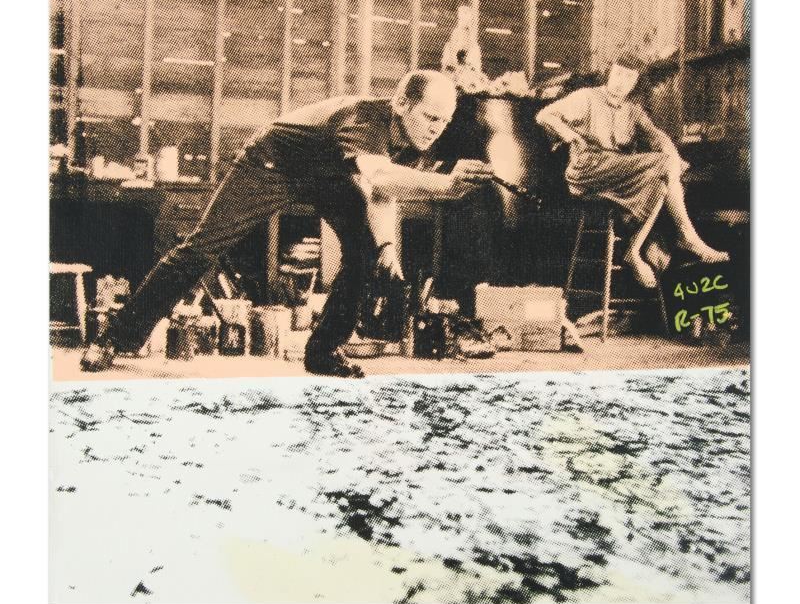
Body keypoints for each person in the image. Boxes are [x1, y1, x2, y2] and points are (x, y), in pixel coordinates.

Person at [80, 70, 494, 377]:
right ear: (401, 104)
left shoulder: (412, 137)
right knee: (202, 249)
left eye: (443, 122)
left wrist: (386, 247)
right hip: (273, 164)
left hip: (328, 176)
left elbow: (381, 194)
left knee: (365, 253)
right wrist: (446, 185)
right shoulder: (366, 119)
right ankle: (115, 337)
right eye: (430, 117)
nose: (435, 130)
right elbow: (381, 176)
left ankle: (323, 351)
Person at [536, 53, 728, 288]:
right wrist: (569, 134)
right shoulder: (586, 97)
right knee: (664, 165)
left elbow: (658, 136)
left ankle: (634, 251)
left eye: (628, 78)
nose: (620, 82)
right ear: (609, 73)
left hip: (617, 174)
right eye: (617, 74)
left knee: (660, 184)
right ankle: (686, 235)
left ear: (635, 83)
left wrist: (674, 157)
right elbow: (544, 115)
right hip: (587, 170)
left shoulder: (633, 110)